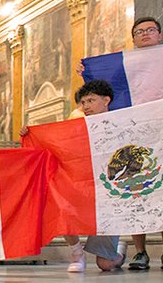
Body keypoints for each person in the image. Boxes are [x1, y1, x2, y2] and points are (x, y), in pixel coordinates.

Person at [75, 16, 163, 272]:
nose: (145, 34)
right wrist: (86, 71)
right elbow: (104, 90)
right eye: (139, 31)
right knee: (133, 192)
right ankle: (139, 251)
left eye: (150, 30)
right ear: (133, 38)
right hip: (130, 137)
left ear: (159, 34)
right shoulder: (124, 64)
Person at [33, 81, 127, 273]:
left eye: (91, 101)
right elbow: (56, 146)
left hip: (108, 193)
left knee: (106, 265)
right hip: (82, 186)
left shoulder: (122, 123)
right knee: (61, 203)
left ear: (106, 100)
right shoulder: (76, 126)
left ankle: (119, 251)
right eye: (83, 102)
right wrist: (31, 135)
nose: (86, 106)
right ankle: (76, 251)